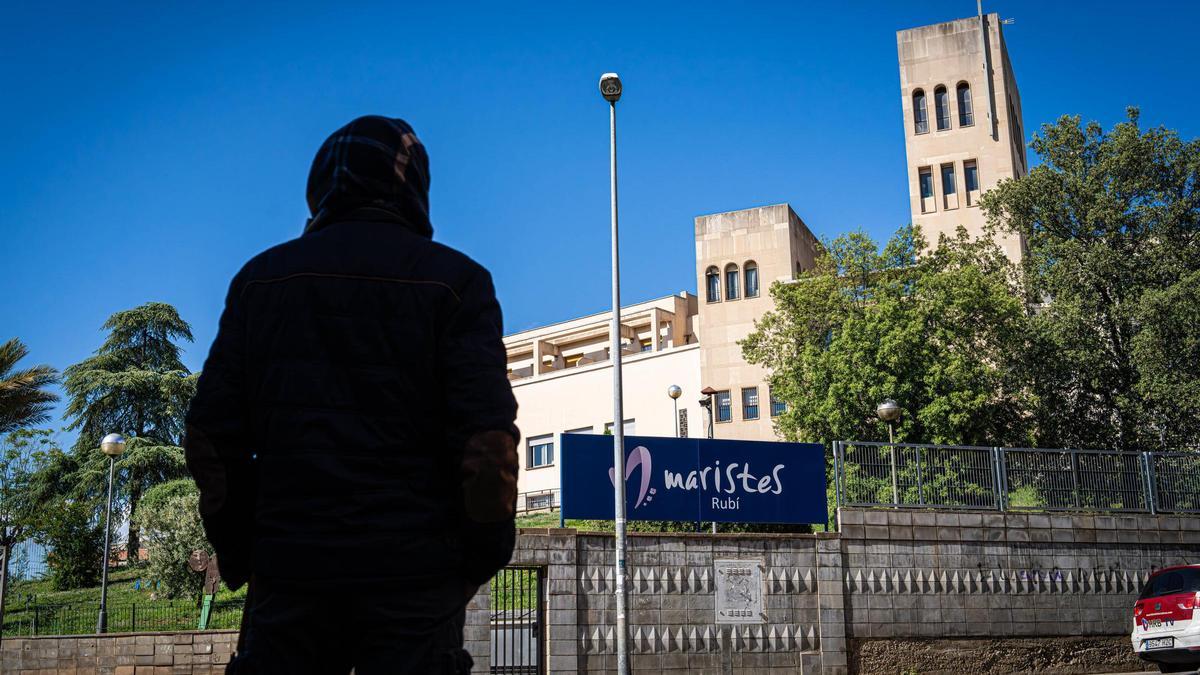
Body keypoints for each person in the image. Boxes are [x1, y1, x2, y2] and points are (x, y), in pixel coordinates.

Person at [184, 115, 519, 674]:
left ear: (320, 187)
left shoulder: (260, 282)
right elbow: (487, 448)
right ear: (416, 188)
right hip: (415, 588)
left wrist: (246, 553)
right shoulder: (456, 283)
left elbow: (210, 438)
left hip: (291, 584)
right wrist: (476, 558)